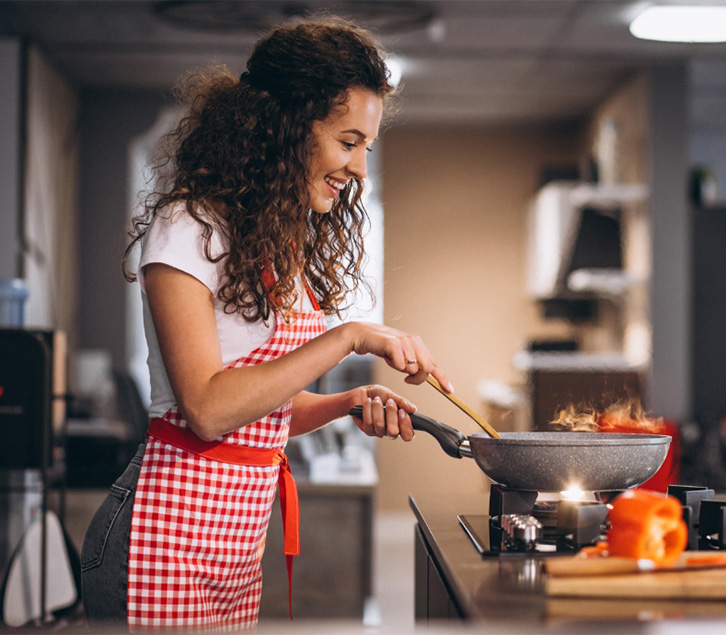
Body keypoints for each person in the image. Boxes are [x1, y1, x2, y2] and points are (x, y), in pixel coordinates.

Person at [80, 17, 450, 631]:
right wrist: (349, 336)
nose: (359, 167)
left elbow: (260, 411)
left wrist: (347, 403)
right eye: (348, 141)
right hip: (160, 539)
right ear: (287, 127)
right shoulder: (189, 227)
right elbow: (208, 409)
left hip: (232, 552)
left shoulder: (273, 243)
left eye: (366, 146)